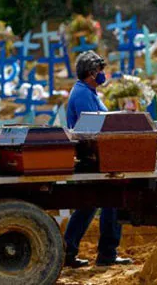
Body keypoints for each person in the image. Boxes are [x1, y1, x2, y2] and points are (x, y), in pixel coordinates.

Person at [64, 51, 133, 268]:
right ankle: (107, 254)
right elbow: (96, 126)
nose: (104, 74)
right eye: (100, 70)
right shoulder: (83, 94)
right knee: (112, 201)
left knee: (88, 206)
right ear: (92, 73)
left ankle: (68, 251)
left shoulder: (89, 92)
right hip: (95, 158)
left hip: (97, 156)